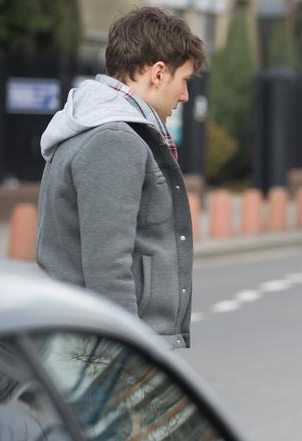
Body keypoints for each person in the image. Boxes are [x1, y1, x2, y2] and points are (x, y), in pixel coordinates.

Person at [36, 7, 206, 349]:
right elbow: (108, 266)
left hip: (90, 340)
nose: (185, 95)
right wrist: (129, 356)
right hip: (107, 349)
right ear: (158, 73)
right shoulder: (114, 140)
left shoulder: (103, 130)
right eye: (184, 80)